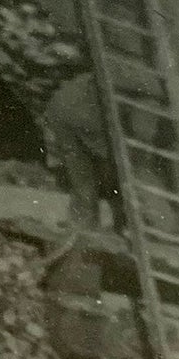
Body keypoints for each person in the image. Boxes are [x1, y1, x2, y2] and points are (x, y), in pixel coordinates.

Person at [41, 65, 118, 235]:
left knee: (86, 174)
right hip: (71, 114)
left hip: (71, 108)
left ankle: (84, 224)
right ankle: (83, 227)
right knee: (82, 175)